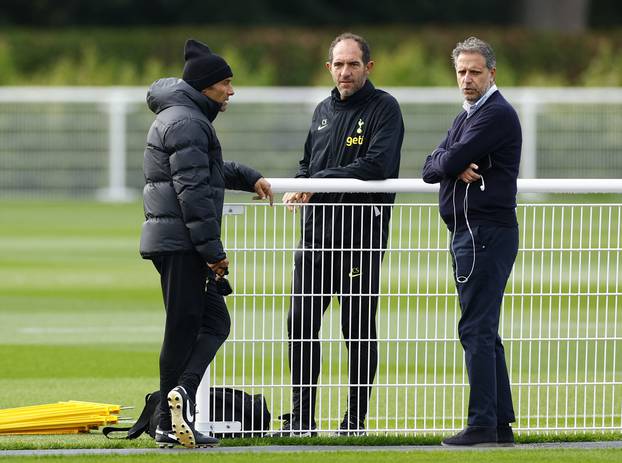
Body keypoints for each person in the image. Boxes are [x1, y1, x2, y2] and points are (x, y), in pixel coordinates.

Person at [140, 39, 273, 448]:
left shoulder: (182, 116)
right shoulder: (188, 122)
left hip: (175, 240)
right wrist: (214, 253)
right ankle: (168, 419)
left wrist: (248, 175)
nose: (231, 91)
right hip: (184, 244)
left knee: (213, 323)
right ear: (204, 86)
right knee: (183, 330)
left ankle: (179, 397)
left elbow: (207, 171)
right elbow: (194, 194)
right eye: (226, 83)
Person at [279, 32, 404, 436]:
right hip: (314, 239)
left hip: (359, 240)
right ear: (328, 67)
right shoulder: (321, 110)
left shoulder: (385, 108)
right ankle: (302, 419)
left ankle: (354, 421)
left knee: (357, 329)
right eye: (338, 64)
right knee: (299, 324)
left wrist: (318, 181)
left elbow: (376, 166)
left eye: (353, 64)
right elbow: (306, 164)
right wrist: (299, 185)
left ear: (369, 67)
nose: (345, 72)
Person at [422, 37, 521, 447]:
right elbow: (434, 165)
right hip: (476, 232)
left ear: (491, 73)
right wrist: (451, 163)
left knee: (475, 329)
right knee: (484, 330)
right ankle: (499, 423)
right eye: (461, 71)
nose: (467, 78)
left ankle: (482, 424)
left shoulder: (493, 114)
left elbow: (439, 163)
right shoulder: (470, 115)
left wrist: (450, 161)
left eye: (475, 71)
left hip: (482, 233)